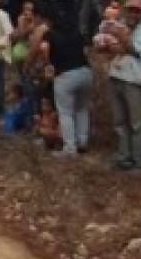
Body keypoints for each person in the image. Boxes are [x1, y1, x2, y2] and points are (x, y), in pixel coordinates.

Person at [29, 8, 93, 158]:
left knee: (65, 113)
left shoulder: (50, 34)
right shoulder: (77, 33)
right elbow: (86, 50)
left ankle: (70, 148)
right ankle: (82, 142)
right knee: (82, 109)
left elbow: (44, 47)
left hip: (65, 75)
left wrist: (48, 63)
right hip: (85, 72)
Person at [105, 0, 141, 172]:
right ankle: (124, 158)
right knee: (119, 121)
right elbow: (108, 47)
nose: (133, 13)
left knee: (137, 123)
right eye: (131, 9)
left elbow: (134, 49)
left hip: (134, 79)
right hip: (115, 75)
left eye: (137, 10)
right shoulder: (120, 24)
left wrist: (120, 38)